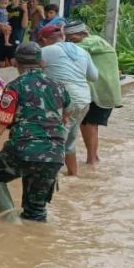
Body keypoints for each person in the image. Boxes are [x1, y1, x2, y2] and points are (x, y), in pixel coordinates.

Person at [0, 42, 70, 222]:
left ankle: (9, 220)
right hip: (54, 155)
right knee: (36, 213)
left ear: (16, 62)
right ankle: (30, 240)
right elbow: (66, 115)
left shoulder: (15, 86)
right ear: (42, 62)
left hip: (23, 149)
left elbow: (1, 121)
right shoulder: (59, 86)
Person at [39, 22, 97, 176]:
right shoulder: (82, 51)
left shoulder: (45, 51)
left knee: (56, 139)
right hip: (84, 99)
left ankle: (50, 179)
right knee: (70, 139)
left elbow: (30, 69)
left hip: (65, 101)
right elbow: (94, 76)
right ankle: (73, 175)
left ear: (44, 40)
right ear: (62, 36)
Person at [64, 20, 120, 165]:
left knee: (90, 124)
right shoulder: (89, 44)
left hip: (101, 93)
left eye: (71, 38)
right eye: (67, 38)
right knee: (86, 124)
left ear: (83, 33)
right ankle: (93, 158)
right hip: (96, 92)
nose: (69, 41)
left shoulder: (94, 41)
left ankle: (92, 159)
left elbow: (70, 50)